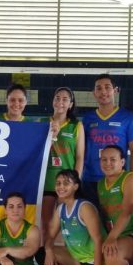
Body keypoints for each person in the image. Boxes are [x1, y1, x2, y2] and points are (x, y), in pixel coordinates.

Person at [39, 169, 112, 265]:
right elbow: (50, 236)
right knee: (41, 253)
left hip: (94, 263)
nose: (61, 186)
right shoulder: (61, 209)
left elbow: (98, 241)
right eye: (58, 183)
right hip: (77, 260)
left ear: (76, 186)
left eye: (66, 183)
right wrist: (48, 249)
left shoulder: (84, 207)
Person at [81, 74, 133, 205]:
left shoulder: (128, 118)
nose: (103, 92)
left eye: (107, 87)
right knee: (90, 216)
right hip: (90, 179)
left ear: (115, 90)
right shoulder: (87, 119)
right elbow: (81, 150)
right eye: (99, 88)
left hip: (118, 179)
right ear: (94, 93)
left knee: (116, 216)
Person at [42, 87, 85, 243]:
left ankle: (67, 256)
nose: (60, 101)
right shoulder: (42, 123)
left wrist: (75, 182)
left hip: (67, 183)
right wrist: (50, 135)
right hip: (47, 181)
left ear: (70, 104)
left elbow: (79, 157)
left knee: (66, 224)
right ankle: (46, 253)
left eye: (65, 99)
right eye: (57, 98)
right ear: (53, 101)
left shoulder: (76, 126)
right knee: (46, 224)